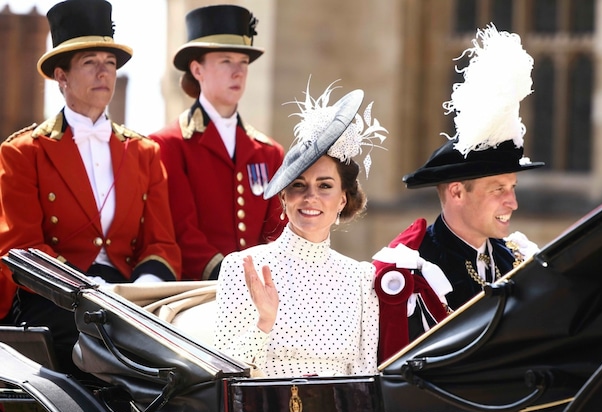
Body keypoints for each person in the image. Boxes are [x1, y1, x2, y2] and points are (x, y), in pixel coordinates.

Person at [0, 0, 180, 378]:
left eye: (110, 63)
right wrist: (85, 289)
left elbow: (162, 243)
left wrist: (142, 290)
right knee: (90, 343)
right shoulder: (22, 152)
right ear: (61, 76)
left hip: (129, 298)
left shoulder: (145, 153)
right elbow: (21, 247)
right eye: (90, 63)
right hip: (53, 298)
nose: (104, 72)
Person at [373, 24, 542, 361]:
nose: (513, 202)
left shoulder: (515, 258)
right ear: (456, 193)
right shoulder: (413, 269)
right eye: (498, 189)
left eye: (513, 188)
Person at [213, 82, 387, 377]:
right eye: (298, 186)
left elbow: (365, 374)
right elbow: (221, 371)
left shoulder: (362, 278)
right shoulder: (242, 267)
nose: (311, 197)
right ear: (283, 197)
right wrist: (264, 322)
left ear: (343, 198)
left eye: (325, 186)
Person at [149, 4, 286, 281]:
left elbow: (277, 231)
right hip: (198, 291)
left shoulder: (269, 152)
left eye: (243, 63)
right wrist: (230, 277)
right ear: (197, 70)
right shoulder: (169, 144)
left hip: (264, 291)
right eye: (226, 61)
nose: (238, 72)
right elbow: (181, 229)